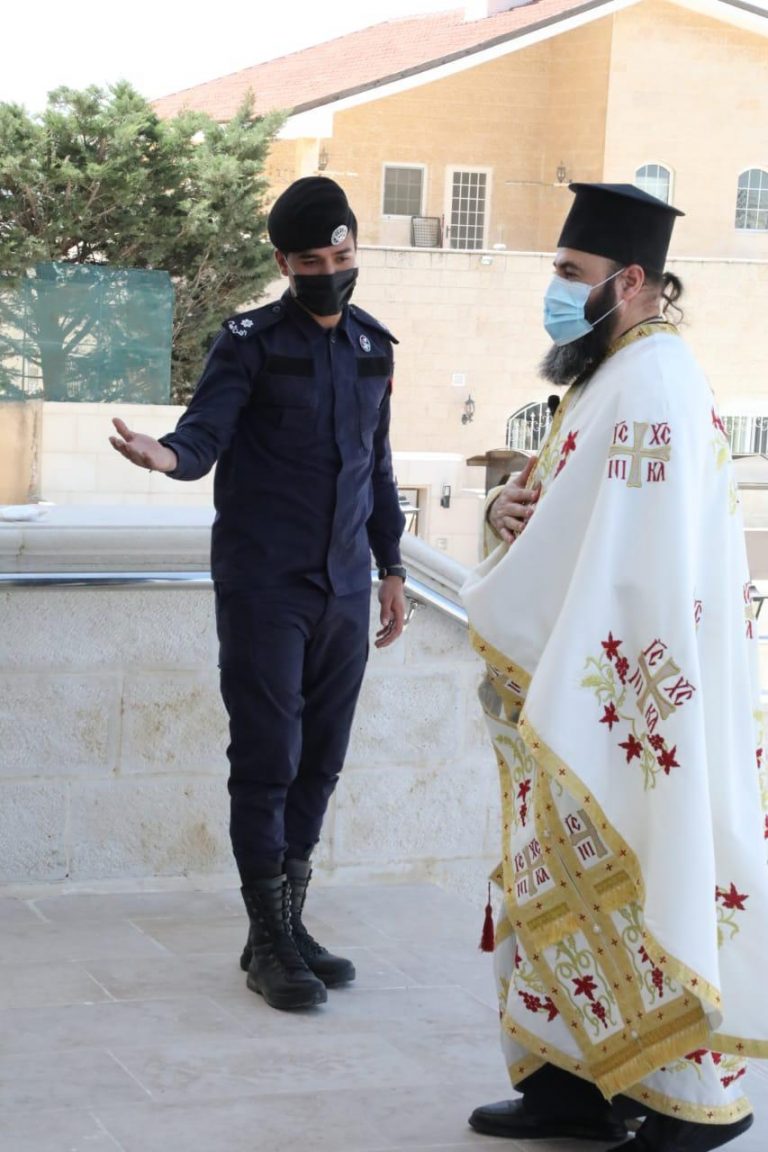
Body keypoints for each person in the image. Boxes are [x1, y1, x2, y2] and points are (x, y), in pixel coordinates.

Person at [461, 184, 768, 1152]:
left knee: (638, 874)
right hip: (588, 682)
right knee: (554, 880)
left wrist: (508, 577)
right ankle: (567, 1087)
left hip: (630, 701)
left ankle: (688, 1104)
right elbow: (565, 511)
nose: (556, 291)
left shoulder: (652, 385)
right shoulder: (613, 374)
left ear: (630, 281)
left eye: (571, 273)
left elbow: (629, 558)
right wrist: (504, 510)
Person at [109, 176, 407, 1012]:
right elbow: (205, 434)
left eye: (340, 257)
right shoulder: (249, 342)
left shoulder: (374, 347)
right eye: (310, 262)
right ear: (283, 263)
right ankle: (267, 940)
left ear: (355, 250)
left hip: (345, 587)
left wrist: (391, 569)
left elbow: (377, 470)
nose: (329, 273)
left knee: (322, 759)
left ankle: (286, 923)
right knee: (268, 758)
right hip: (265, 584)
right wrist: (167, 456)